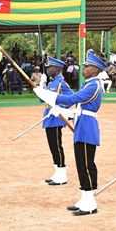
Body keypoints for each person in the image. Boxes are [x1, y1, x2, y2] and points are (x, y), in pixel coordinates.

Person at [35, 50, 105, 215]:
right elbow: (79, 107)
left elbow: (71, 100)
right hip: (81, 125)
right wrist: (68, 113)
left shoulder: (94, 85)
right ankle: (84, 197)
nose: (83, 68)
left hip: (87, 128)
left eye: (87, 66)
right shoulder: (88, 84)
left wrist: (47, 95)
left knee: (87, 164)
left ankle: (90, 201)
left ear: (95, 70)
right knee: (81, 163)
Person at [40, 56, 73, 186]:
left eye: (50, 67)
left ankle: (62, 173)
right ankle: (57, 171)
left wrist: (61, 109)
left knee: (57, 146)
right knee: (52, 146)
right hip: (49, 116)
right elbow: (42, 100)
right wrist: (41, 86)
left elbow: (72, 97)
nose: (48, 69)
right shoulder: (51, 83)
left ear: (58, 69)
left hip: (56, 118)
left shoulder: (61, 83)